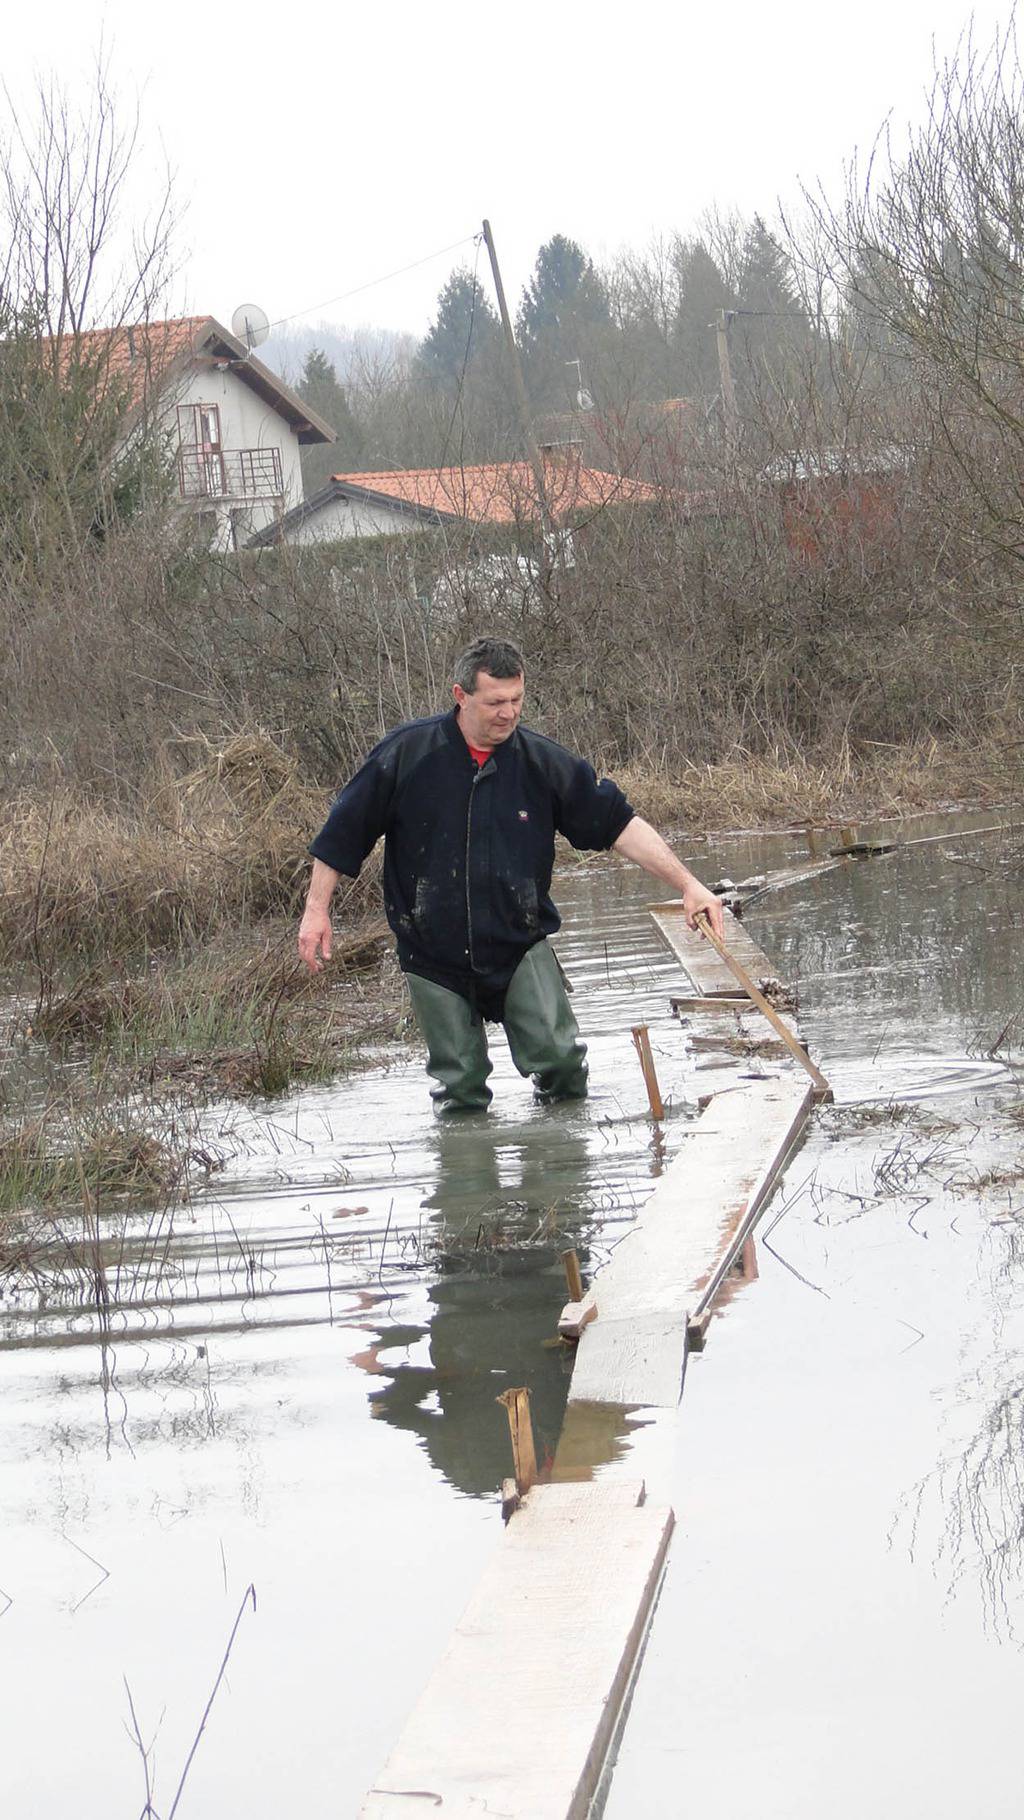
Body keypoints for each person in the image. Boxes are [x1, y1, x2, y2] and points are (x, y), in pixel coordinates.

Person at [298, 636, 725, 1112]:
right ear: (461, 696)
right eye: (495, 702)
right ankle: (471, 1179)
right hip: (431, 950)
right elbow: (342, 832)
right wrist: (317, 910)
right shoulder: (407, 754)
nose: (508, 713)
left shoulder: (542, 762)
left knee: (562, 1065)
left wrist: (689, 885)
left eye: (517, 700)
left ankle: (558, 1170)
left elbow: (619, 824)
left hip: (518, 941)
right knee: (460, 1091)